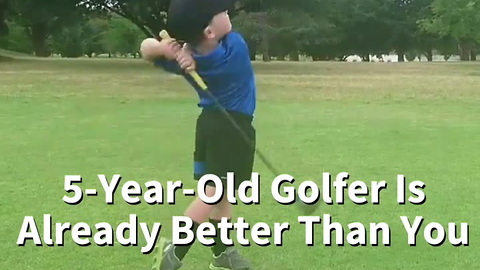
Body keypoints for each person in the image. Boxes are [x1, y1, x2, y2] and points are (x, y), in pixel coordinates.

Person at [140, 0, 256, 269]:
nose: (228, 15)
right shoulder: (236, 46)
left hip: (209, 125)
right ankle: (174, 251)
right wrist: (183, 52)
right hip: (232, 128)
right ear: (210, 32)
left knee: (223, 191)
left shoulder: (185, 60)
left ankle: (222, 252)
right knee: (214, 193)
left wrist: (167, 50)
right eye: (223, 13)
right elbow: (208, 51)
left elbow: (145, 49)